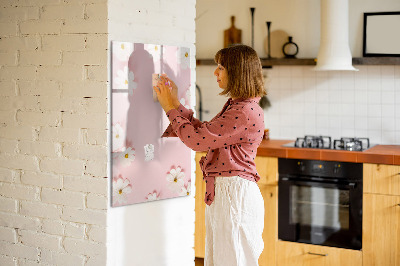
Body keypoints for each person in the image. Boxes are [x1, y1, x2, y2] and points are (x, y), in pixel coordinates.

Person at [153, 44, 266, 266]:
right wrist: (175, 104)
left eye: (221, 67)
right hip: (228, 193)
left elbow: (197, 141)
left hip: (234, 195)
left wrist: (169, 108)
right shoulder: (239, 106)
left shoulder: (243, 111)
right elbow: (205, 133)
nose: (215, 72)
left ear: (237, 72)